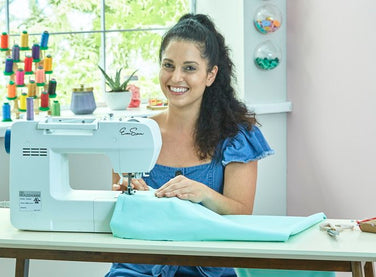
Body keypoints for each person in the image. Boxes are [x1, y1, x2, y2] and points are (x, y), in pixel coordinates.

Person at [106, 13, 274, 277]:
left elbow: (242, 214)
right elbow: (119, 216)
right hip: (137, 269)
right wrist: (125, 196)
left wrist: (203, 193)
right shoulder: (134, 134)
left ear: (210, 75)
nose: (176, 77)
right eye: (168, 65)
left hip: (206, 271)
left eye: (189, 68)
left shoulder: (235, 136)